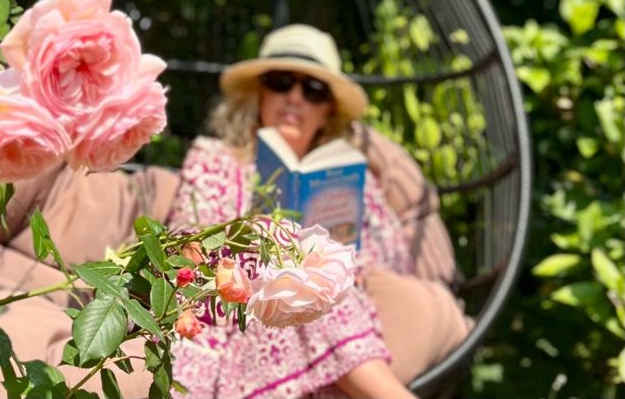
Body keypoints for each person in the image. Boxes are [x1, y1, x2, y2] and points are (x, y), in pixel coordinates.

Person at [167, 24, 473, 399]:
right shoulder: (214, 160)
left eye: (312, 90)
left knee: (317, 286)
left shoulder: (352, 178)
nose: (295, 98)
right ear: (260, 94)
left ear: (327, 112)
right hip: (237, 315)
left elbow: (390, 263)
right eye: (281, 82)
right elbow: (186, 249)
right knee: (296, 282)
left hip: (334, 320)